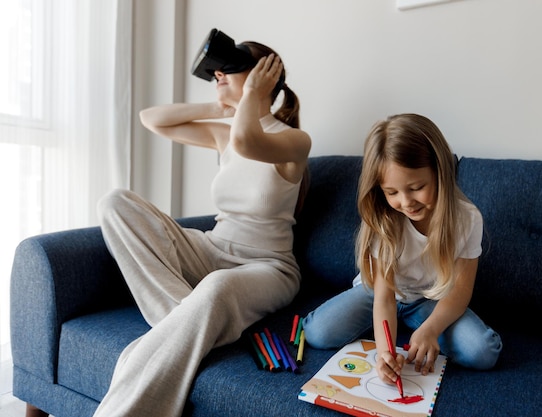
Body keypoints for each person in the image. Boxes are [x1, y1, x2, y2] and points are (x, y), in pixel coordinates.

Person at [94, 39, 311, 417]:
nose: (219, 76)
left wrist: (251, 98)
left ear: (265, 76)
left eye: (230, 69)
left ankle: (183, 328)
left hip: (267, 267)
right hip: (211, 248)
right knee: (115, 203)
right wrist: (220, 104)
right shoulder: (222, 133)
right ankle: (185, 321)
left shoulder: (293, 141)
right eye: (216, 73)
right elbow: (151, 118)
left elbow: (247, 139)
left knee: (215, 287)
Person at [302, 113, 501, 387]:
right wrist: (385, 352)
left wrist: (430, 329)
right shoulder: (384, 219)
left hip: (429, 301)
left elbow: (460, 290)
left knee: (483, 352)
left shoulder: (467, 219)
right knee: (317, 333)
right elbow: (384, 297)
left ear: (440, 172)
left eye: (417, 187)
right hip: (379, 295)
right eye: (392, 192)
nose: (406, 202)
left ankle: (414, 327)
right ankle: (401, 326)